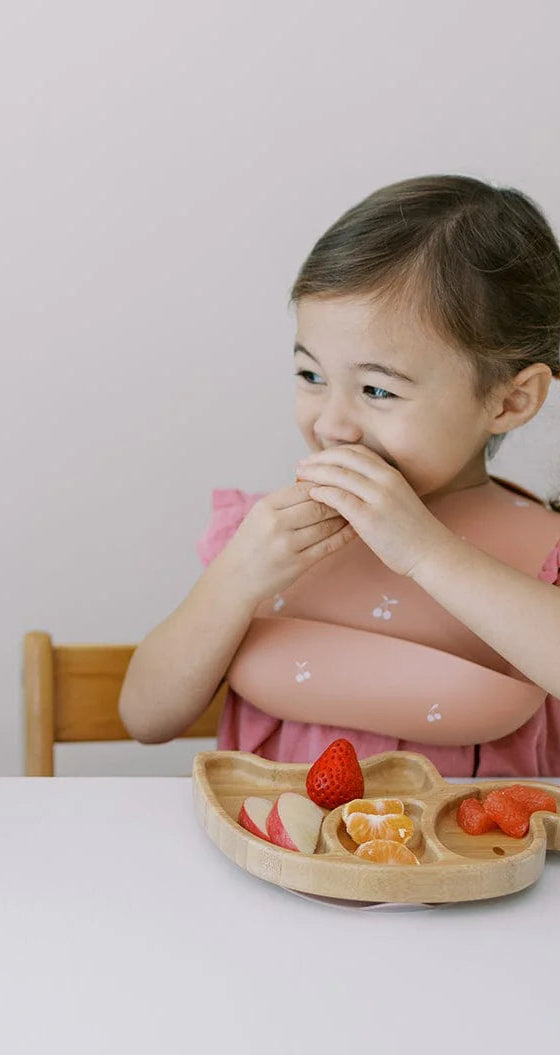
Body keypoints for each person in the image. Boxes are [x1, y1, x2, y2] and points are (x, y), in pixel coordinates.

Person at [120, 175, 560, 777]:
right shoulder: (265, 536)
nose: (331, 424)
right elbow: (146, 718)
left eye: (378, 389)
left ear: (510, 402)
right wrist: (236, 579)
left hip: (475, 868)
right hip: (268, 863)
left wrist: (426, 552)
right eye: (310, 376)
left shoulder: (547, 552)